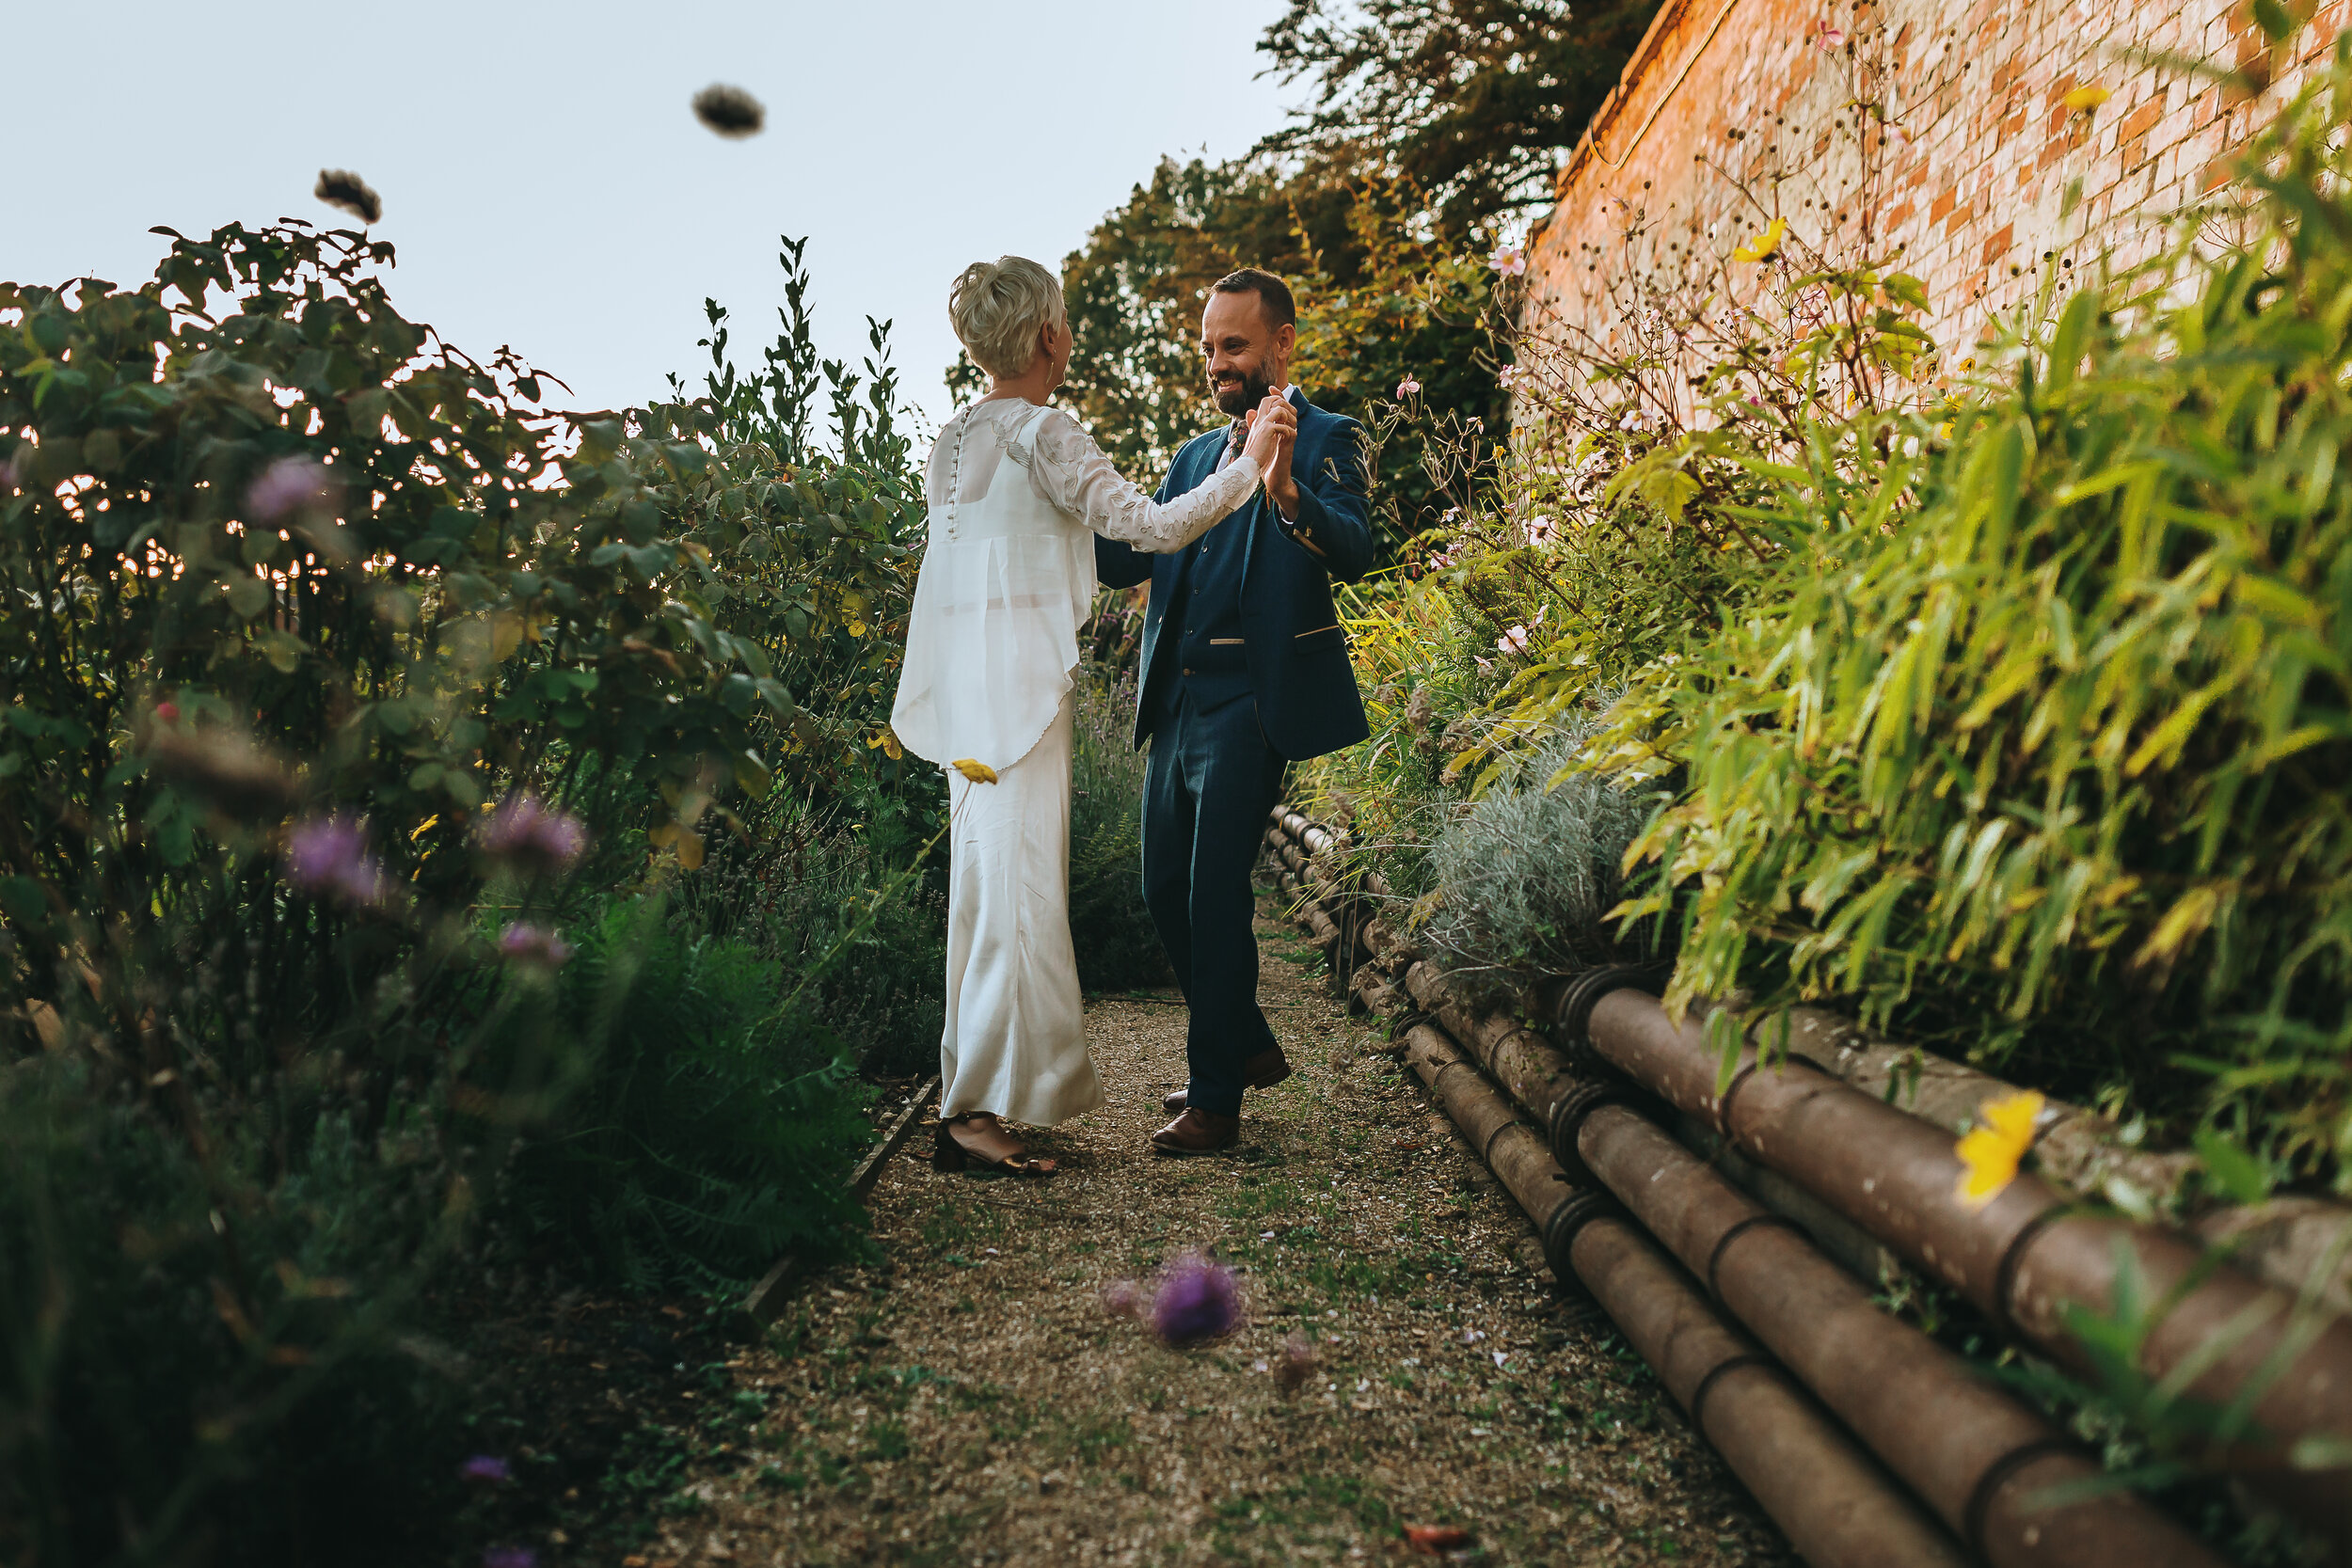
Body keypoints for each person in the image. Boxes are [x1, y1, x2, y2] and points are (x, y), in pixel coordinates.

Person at [890, 256, 1295, 1175]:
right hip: (1025, 699)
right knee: (1016, 894)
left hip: (968, 695)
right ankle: (969, 1117)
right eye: (1064, 320)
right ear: (1047, 337)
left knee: (985, 894)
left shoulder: (952, 440)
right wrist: (1248, 470)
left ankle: (983, 1093)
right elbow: (1148, 530)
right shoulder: (1047, 434)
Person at [1096, 268, 1375, 1155]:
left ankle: (1216, 1099)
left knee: (1214, 893)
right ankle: (1242, 1040)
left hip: (1253, 704)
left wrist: (1289, 491)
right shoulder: (1188, 459)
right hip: (1175, 701)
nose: (1217, 362)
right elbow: (1126, 556)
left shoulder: (1332, 436)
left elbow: (1358, 546)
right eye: (1209, 347)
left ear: (1282, 344)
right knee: (1160, 891)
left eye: (1235, 345)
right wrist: (1057, 494)